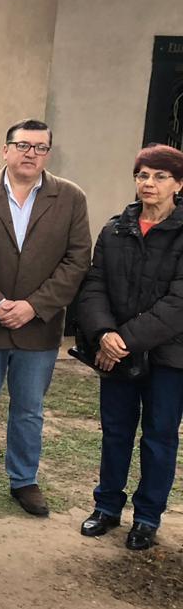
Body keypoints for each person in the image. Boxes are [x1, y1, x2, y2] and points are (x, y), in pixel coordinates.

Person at [0, 119, 90, 516]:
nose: (30, 153)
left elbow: (77, 260)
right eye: (22, 145)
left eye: (40, 147)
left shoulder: (70, 198)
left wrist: (34, 306)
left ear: (48, 153)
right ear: (5, 150)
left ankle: (24, 479)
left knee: (29, 407)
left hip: (39, 325)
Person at [75, 144, 183, 551]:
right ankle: (106, 507)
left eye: (159, 176)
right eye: (142, 175)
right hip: (115, 352)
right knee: (115, 432)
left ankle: (147, 517)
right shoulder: (115, 229)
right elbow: (94, 285)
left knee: (159, 436)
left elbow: (179, 303)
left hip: (170, 358)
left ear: (179, 184)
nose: (148, 183)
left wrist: (125, 339)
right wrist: (104, 332)